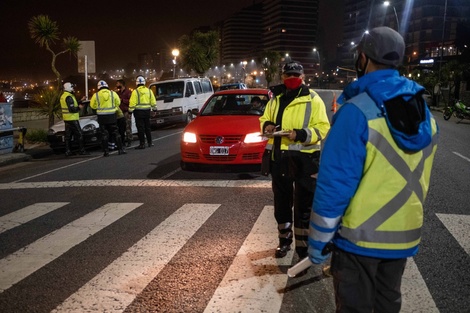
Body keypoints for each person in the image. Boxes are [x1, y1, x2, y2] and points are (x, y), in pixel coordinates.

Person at [307, 27, 439, 312]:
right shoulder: (424, 114)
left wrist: (318, 243)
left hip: (358, 242)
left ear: (363, 59)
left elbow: (334, 185)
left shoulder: (356, 112)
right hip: (403, 238)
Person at [259, 61, 330, 261]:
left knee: (304, 206)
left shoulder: (313, 99)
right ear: (282, 77)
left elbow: (323, 128)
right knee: (282, 204)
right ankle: (284, 241)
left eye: (295, 75)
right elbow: (263, 120)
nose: (291, 79)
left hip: (306, 161)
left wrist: (299, 134)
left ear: (303, 77)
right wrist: (268, 126)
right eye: (288, 75)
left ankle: (303, 248)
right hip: (279, 159)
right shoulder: (275, 99)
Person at [90, 80, 126, 157]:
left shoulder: (95, 95)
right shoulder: (113, 93)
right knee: (116, 132)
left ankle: (106, 152)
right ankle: (120, 149)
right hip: (112, 116)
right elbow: (118, 102)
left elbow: (92, 106)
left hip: (102, 117)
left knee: (104, 134)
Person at [60, 82, 89, 156]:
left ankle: (68, 151)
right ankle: (82, 150)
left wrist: (81, 100)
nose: (73, 89)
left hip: (67, 119)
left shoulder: (64, 96)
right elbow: (72, 109)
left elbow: (73, 104)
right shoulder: (69, 97)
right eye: (72, 87)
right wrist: (79, 108)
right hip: (72, 118)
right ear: (69, 88)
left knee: (68, 136)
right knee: (79, 134)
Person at [129, 75, 157, 149]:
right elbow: (153, 101)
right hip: (147, 111)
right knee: (147, 127)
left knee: (140, 128)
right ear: (144, 82)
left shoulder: (135, 92)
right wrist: (154, 109)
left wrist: (130, 111)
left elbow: (132, 103)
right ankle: (150, 142)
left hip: (138, 112)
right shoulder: (149, 91)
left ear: (137, 83)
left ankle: (142, 144)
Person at [116, 79, 133, 147]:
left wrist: (122, 100)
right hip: (120, 112)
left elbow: (131, 101)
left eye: (117, 84)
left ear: (121, 84)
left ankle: (129, 140)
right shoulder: (118, 93)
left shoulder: (128, 92)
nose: (116, 85)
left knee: (127, 127)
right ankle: (122, 141)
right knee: (121, 128)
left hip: (126, 112)